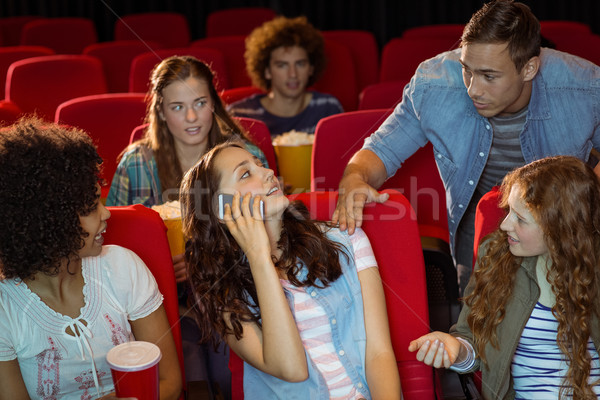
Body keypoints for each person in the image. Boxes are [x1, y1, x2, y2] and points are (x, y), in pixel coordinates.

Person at [332, 0, 600, 295]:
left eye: (489, 76)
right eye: (467, 70)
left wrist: (577, 203)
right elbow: (381, 150)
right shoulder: (434, 83)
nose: (473, 88)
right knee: (479, 328)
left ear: (529, 68)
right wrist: (355, 178)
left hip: (566, 231)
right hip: (479, 232)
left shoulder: (584, 88)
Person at [179, 141, 402, 399]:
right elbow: (292, 368)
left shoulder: (347, 239)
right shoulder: (224, 293)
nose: (268, 173)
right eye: (245, 173)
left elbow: (379, 353)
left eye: (260, 164)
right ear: (222, 209)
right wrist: (259, 257)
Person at [0, 118, 182, 399]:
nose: (107, 213)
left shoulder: (123, 267)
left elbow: (168, 382)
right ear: (47, 222)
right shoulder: (5, 307)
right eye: (90, 208)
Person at [106, 55, 253, 399]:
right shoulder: (135, 164)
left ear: (214, 105)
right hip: (157, 303)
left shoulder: (242, 156)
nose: (191, 117)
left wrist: (211, 257)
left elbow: (271, 233)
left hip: (229, 295)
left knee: (225, 372)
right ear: (160, 110)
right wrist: (157, 266)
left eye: (200, 103)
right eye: (177, 106)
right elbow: (109, 241)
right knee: (191, 373)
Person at [408, 156, 600, 399]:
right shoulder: (496, 255)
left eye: (521, 219)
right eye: (509, 210)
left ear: (559, 230)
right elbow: (472, 342)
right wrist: (457, 351)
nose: (505, 225)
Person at [228, 16, 343, 137]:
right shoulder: (239, 115)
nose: (293, 74)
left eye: (300, 64)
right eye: (282, 65)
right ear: (267, 71)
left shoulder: (328, 108)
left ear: (311, 68)